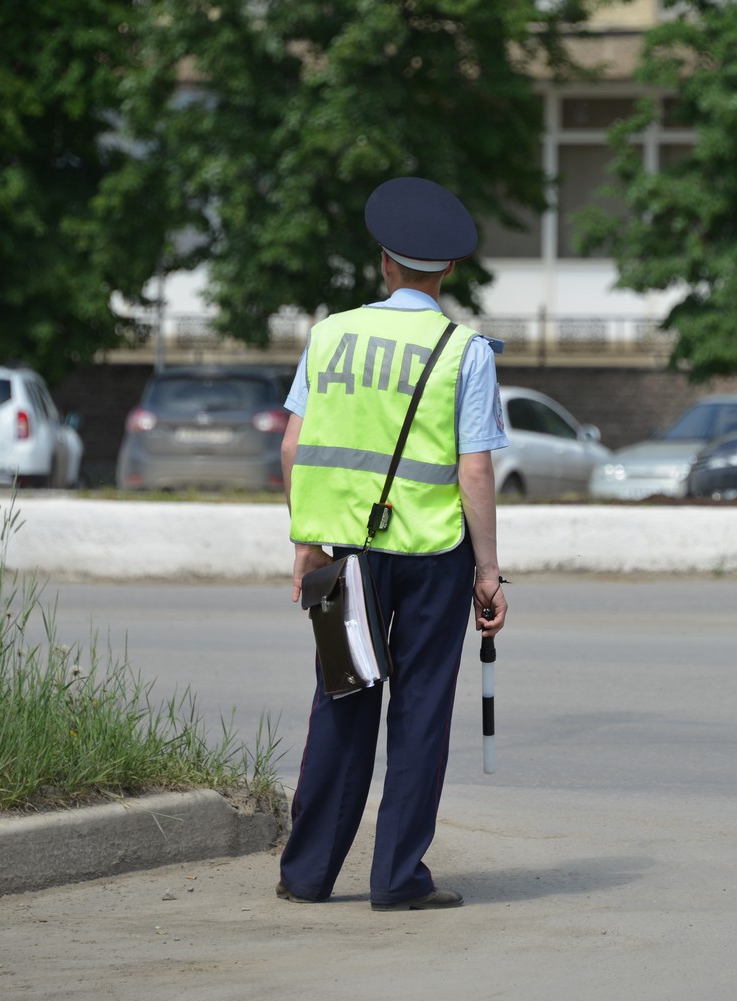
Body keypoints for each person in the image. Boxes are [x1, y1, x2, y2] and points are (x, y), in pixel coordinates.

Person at [276, 176, 509, 911]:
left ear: (383, 263)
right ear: (447, 271)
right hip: (433, 558)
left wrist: (307, 539)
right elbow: (473, 469)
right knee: (418, 709)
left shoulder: (329, 335)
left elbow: (292, 446)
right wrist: (490, 571)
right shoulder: (463, 350)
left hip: (342, 553)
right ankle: (397, 878)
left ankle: (307, 873)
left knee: (340, 699)